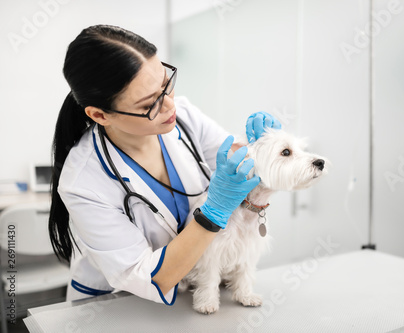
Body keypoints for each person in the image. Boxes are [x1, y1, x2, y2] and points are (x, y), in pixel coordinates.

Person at [48, 25, 281, 305]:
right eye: (150, 104)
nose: (170, 105)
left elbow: (232, 157)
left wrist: (262, 147)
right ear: (100, 114)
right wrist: (213, 213)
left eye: (166, 83)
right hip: (118, 303)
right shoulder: (84, 183)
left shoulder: (182, 115)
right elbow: (146, 276)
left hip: (188, 288)